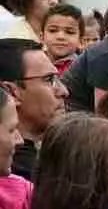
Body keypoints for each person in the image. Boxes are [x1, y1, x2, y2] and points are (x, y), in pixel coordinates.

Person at [0, 38, 69, 181]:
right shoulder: (18, 175)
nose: (64, 91)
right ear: (11, 91)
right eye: (49, 79)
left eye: (58, 79)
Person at [41, 3, 84, 75]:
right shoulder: (32, 64)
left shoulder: (83, 69)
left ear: (80, 41)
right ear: (42, 37)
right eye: (53, 30)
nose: (60, 37)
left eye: (69, 32)